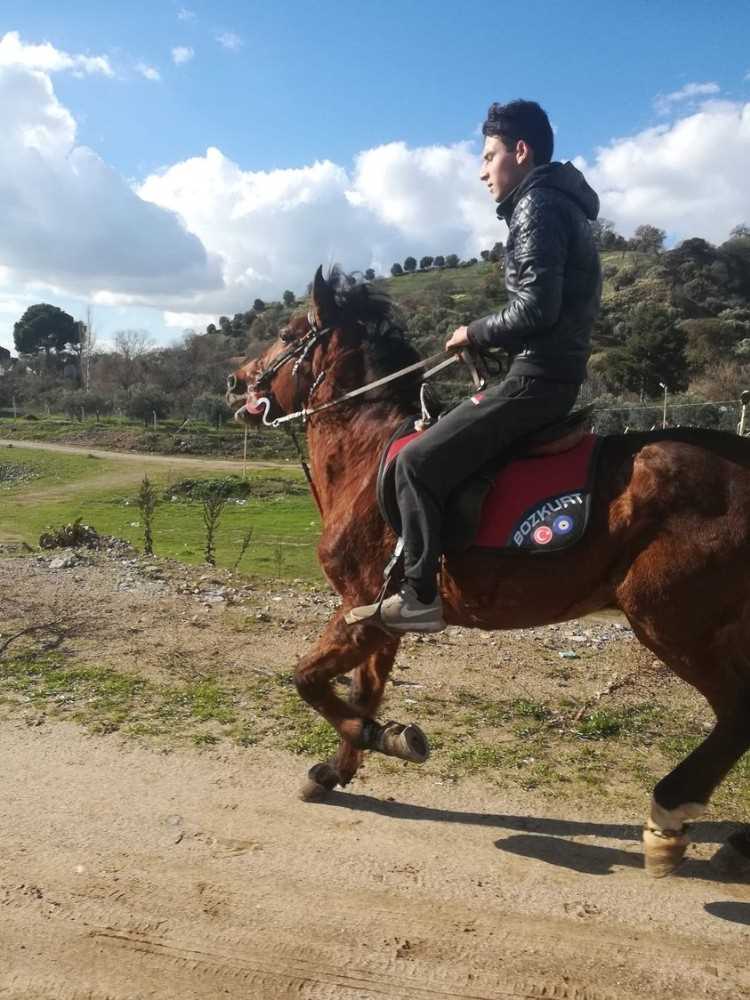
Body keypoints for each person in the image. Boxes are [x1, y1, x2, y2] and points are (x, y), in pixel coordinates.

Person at [350, 99, 602, 633]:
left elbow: (537, 308)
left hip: (536, 380)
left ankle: (420, 596)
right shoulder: (556, 203)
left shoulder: (538, 205)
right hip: (545, 371)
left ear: (521, 151)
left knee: (415, 463)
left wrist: (474, 331)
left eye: (489, 156)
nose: (482, 169)